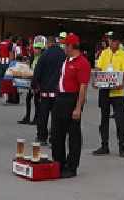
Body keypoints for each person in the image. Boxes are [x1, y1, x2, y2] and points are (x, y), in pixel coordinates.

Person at [50, 33, 90, 179]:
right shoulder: (66, 60)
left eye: (65, 45)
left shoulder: (82, 63)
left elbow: (83, 87)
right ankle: (59, 162)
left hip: (72, 99)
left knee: (73, 135)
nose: (63, 47)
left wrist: (78, 107)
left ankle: (72, 167)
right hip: (60, 97)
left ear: (71, 46)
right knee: (56, 133)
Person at [92, 31, 124, 158]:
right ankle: (104, 145)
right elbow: (98, 68)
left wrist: (123, 83)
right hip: (105, 90)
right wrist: (95, 80)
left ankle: (122, 146)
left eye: (114, 41)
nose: (112, 43)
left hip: (117, 92)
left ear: (118, 42)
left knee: (120, 120)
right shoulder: (104, 53)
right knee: (104, 119)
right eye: (110, 41)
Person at [32, 33, 66, 146]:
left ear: (48, 44)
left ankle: (42, 137)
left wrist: (34, 85)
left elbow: (37, 72)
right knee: (56, 117)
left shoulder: (44, 55)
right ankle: (54, 138)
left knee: (43, 115)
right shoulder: (63, 54)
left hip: (45, 91)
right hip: (58, 92)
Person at [19, 36, 45, 125]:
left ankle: (36, 118)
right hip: (31, 81)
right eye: (35, 48)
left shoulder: (42, 58)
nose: (36, 50)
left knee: (37, 101)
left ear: (41, 49)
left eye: (38, 48)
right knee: (28, 99)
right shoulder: (33, 58)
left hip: (38, 83)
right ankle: (27, 117)